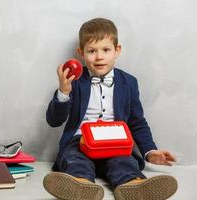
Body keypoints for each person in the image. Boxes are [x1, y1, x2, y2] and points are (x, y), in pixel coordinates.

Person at [43, 18, 178, 200]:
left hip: (115, 142)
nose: (99, 57)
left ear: (117, 51)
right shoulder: (73, 81)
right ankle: (80, 185)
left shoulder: (129, 82)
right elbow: (54, 120)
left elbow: (137, 123)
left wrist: (150, 152)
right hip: (80, 140)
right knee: (75, 158)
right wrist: (63, 91)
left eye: (106, 50)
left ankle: (133, 186)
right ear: (81, 52)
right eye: (91, 51)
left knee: (124, 162)